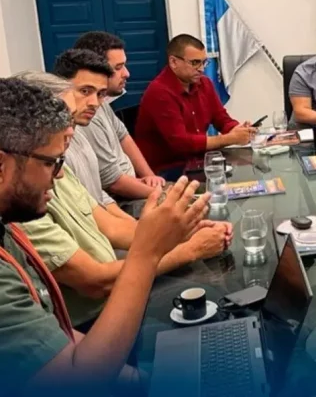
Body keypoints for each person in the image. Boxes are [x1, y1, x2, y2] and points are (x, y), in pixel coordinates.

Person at [0, 77, 213, 395]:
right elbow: (80, 382)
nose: (60, 173)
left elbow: (56, 340)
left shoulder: (7, 228)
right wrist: (147, 253)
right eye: (50, 163)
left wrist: (142, 381)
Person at [13, 71, 232, 331]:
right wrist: (191, 249)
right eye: (64, 120)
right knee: (218, 306)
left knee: (221, 295)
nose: (72, 130)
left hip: (120, 289)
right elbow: (95, 282)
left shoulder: (60, 168)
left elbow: (114, 228)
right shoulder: (22, 203)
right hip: (98, 316)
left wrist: (182, 232)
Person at [135, 34, 255, 172]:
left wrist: (239, 130)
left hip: (199, 161)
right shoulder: (159, 92)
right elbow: (181, 143)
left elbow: (221, 119)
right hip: (167, 169)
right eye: (195, 63)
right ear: (173, 62)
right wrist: (230, 139)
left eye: (204, 62)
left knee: (249, 169)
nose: (201, 69)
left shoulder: (204, 83)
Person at [73, 31, 166, 200]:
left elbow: (123, 136)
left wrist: (150, 177)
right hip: (122, 198)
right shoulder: (87, 115)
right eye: (118, 68)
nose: (126, 73)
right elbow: (114, 183)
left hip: (136, 186)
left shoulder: (102, 102)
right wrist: (162, 195)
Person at [49, 49, 133, 222]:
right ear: (59, 88)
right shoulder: (54, 149)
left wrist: (134, 224)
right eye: (85, 91)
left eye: (100, 94)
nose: (94, 103)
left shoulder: (79, 136)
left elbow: (98, 196)